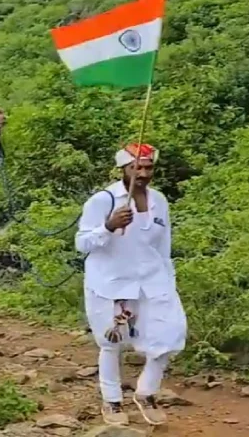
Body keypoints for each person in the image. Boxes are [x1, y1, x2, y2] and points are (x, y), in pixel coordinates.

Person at [75, 143, 186, 426]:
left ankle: (146, 392)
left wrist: (168, 277)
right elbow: (82, 243)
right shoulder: (103, 200)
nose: (144, 173)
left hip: (153, 279)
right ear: (123, 169)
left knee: (170, 335)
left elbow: (164, 244)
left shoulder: (159, 200)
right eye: (137, 167)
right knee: (112, 343)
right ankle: (111, 401)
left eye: (149, 168)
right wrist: (109, 226)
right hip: (112, 282)